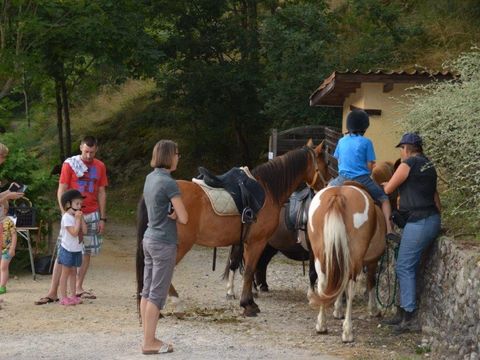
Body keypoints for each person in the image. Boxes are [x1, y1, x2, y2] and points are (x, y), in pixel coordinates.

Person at [35, 136, 108, 305]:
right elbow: (61, 190)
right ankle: (53, 292)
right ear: (81, 147)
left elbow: (102, 192)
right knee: (63, 252)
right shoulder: (70, 164)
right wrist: (65, 214)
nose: (88, 155)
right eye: (86, 151)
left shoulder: (100, 166)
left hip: (91, 212)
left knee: (86, 251)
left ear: (96, 150)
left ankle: (78, 288)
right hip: (72, 213)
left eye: (92, 152)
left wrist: (103, 218)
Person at [382, 132, 441, 334]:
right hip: (431, 219)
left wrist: (383, 186)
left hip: (419, 222)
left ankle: (409, 316)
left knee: (404, 266)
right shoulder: (428, 165)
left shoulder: (407, 164)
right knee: (407, 265)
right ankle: (402, 311)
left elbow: (389, 189)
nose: (401, 152)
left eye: (401, 148)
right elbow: (435, 197)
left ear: (406, 148)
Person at [140, 140, 188, 355]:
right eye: (177, 153)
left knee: (147, 291)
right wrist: (178, 213)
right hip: (163, 243)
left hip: (149, 239)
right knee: (157, 295)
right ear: (169, 156)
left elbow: (158, 207)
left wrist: (173, 212)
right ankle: (149, 342)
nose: (179, 157)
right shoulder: (169, 182)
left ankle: (148, 336)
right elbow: (185, 217)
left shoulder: (150, 178)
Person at [329, 109, 398, 240]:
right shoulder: (367, 142)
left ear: (349, 126)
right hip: (362, 179)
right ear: (364, 127)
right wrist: (368, 171)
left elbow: (338, 160)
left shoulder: (342, 141)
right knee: (384, 199)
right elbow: (369, 165)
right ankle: (389, 230)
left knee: (323, 193)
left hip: (341, 179)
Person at [57, 189, 87, 306]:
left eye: (80, 204)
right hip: (67, 249)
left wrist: (82, 219)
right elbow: (74, 232)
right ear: (68, 205)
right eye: (77, 204)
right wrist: (78, 220)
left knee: (74, 272)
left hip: (76, 249)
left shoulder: (78, 216)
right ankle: (64, 297)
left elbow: (84, 231)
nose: (80, 207)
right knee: (65, 272)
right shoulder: (67, 218)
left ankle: (73, 295)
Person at [0, 201, 17, 295]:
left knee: (3, 267)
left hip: (7, 249)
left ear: (5, 210)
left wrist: (12, 248)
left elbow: (14, 235)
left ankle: (2, 287)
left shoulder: (9, 221)